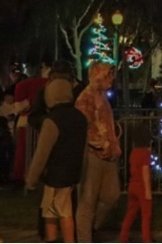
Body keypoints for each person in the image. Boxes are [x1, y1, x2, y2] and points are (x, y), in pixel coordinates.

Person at [26, 78, 88, 243]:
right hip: (73, 172)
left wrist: (31, 179)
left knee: (56, 213)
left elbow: (41, 153)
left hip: (54, 174)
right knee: (59, 211)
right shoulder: (80, 118)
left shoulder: (52, 120)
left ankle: (57, 240)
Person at [76, 62, 122, 243]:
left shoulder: (102, 96)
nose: (112, 78)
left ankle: (91, 227)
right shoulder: (85, 97)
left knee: (112, 195)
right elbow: (83, 126)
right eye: (108, 74)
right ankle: (84, 237)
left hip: (109, 155)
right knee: (88, 200)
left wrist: (113, 138)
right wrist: (101, 144)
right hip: (93, 155)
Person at [12, 61, 51, 182]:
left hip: (27, 121)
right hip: (45, 120)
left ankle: (23, 175)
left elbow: (19, 108)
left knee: (23, 151)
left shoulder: (22, 85)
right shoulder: (49, 84)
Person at [119, 123, 154, 243]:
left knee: (131, 212)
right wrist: (148, 190)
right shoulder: (145, 154)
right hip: (141, 187)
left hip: (132, 185)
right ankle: (146, 238)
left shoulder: (133, 152)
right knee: (146, 214)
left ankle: (123, 236)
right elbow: (145, 172)